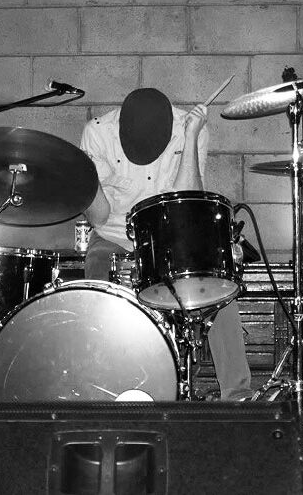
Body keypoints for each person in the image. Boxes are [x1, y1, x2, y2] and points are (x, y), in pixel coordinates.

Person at [80, 87, 253, 400]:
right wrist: (83, 178)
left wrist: (191, 138)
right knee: (97, 273)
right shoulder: (97, 134)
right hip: (115, 231)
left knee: (219, 282)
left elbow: (191, 199)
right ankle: (102, 384)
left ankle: (237, 393)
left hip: (173, 228)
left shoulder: (191, 126)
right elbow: (99, 217)